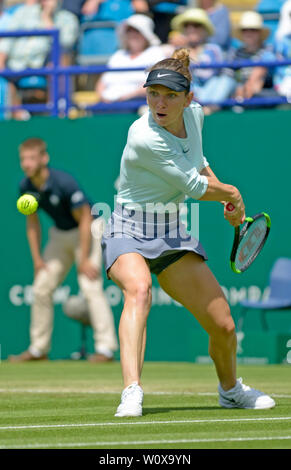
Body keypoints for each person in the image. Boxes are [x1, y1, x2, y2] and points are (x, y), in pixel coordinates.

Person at [101, 48, 276, 417]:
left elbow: (201, 168)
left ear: (188, 99)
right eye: (153, 94)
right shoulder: (143, 136)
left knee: (224, 325)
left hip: (171, 231)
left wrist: (229, 203)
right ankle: (131, 390)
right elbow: (198, 188)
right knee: (139, 289)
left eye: (170, 96)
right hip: (128, 229)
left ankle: (230, 390)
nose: (159, 104)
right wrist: (232, 196)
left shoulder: (195, 117)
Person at [9, 137, 118, 363]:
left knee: (90, 286)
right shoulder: (26, 187)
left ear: (44, 159)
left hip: (89, 228)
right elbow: (32, 224)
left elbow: (86, 217)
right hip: (60, 235)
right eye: (23, 159)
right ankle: (39, 349)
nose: (26, 164)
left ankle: (105, 348)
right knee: (41, 288)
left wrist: (85, 259)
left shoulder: (64, 182)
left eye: (31, 158)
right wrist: (38, 259)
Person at [0, 0, 79, 119]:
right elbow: (6, 42)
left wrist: (47, 18)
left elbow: (64, 45)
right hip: (17, 63)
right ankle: (18, 116)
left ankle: (56, 113)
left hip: (45, 63)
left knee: (61, 61)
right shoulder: (22, 13)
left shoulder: (67, 19)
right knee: (5, 75)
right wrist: (1, 62)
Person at [95, 14, 166, 103]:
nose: (132, 34)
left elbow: (156, 84)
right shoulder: (118, 55)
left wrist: (126, 97)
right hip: (108, 103)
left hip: (137, 103)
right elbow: (102, 82)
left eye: (137, 31)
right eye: (129, 31)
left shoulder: (156, 53)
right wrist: (102, 98)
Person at [213, 11, 277, 105]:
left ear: (260, 32)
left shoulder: (268, 51)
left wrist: (250, 85)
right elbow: (227, 74)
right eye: (245, 30)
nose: (249, 33)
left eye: (253, 29)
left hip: (262, 94)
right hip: (238, 93)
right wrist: (239, 87)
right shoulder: (236, 53)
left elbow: (265, 75)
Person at [170, 8, 225, 111]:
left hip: (211, 92)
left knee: (226, 80)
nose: (191, 29)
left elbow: (209, 74)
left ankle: (208, 109)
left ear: (204, 29)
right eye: (187, 25)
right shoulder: (178, 50)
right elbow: (174, 74)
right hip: (188, 95)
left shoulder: (214, 49)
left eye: (196, 25)